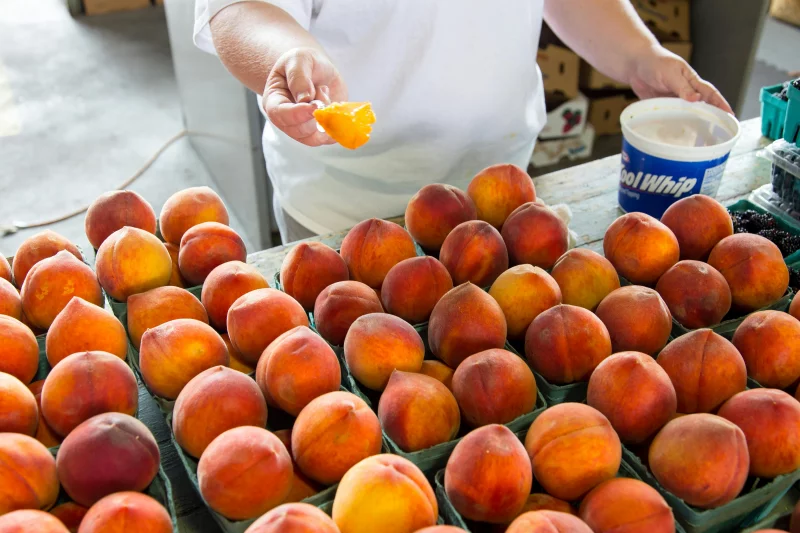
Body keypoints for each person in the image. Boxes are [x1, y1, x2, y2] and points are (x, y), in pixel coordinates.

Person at [194, 0, 732, 244]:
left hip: (500, 191)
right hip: (345, 207)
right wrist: (286, 54)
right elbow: (240, 7)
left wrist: (640, 55)